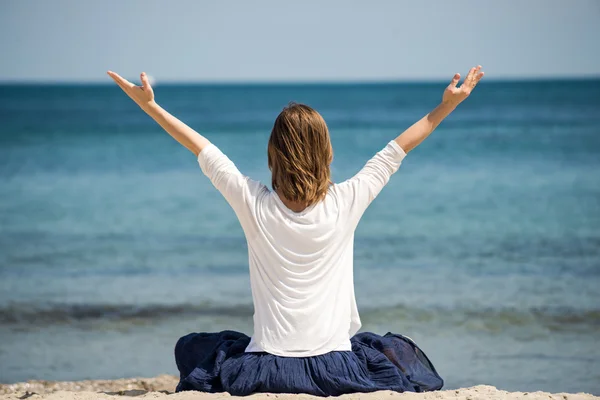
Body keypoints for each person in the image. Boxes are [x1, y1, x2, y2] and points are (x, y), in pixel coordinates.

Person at [107, 66, 484, 397]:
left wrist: (149, 106)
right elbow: (397, 149)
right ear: (328, 154)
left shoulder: (251, 201)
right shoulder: (348, 200)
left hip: (265, 369)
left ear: (273, 155)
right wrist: (448, 105)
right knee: (394, 351)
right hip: (336, 369)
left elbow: (201, 149)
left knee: (196, 347)